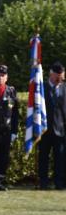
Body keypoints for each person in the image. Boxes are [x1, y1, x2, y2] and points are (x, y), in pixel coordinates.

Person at [0, 64, 19, 191]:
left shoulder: (11, 91)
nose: (0, 77)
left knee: (3, 157)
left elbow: (15, 113)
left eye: (2, 75)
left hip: (6, 131)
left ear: (6, 77)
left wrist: (14, 131)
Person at [39, 62, 66, 190]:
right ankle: (43, 182)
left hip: (60, 130)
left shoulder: (64, 88)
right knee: (43, 156)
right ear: (51, 73)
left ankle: (59, 182)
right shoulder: (41, 88)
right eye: (57, 76)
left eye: (61, 76)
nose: (59, 79)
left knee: (60, 158)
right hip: (44, 129)